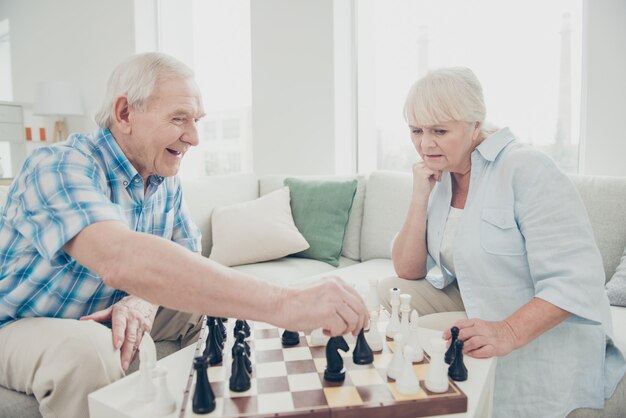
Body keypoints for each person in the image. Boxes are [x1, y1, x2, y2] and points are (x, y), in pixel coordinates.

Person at [0, 52, 368, 418]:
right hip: (20, 323)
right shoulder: (58, 165)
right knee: (86, 352)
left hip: (107, 309)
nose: (193, 137)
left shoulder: (164, 179)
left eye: (196, 120)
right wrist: (286, 303)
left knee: (209, 303)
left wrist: (142, 298)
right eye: (179, 119)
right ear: (125, 113)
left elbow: (188, 258)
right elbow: (119, 258)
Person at [377, 67, 625, 417]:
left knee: (417, 342)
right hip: (479, 298)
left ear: (475, 125)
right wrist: (420, 196)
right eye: (416, 130)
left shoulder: (527, 168)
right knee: (390, 290)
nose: (424, 143)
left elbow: (577, 280)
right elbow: (407, 268)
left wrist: (507, 331)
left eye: (439, 131)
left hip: (533, 323)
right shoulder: (443, 174)